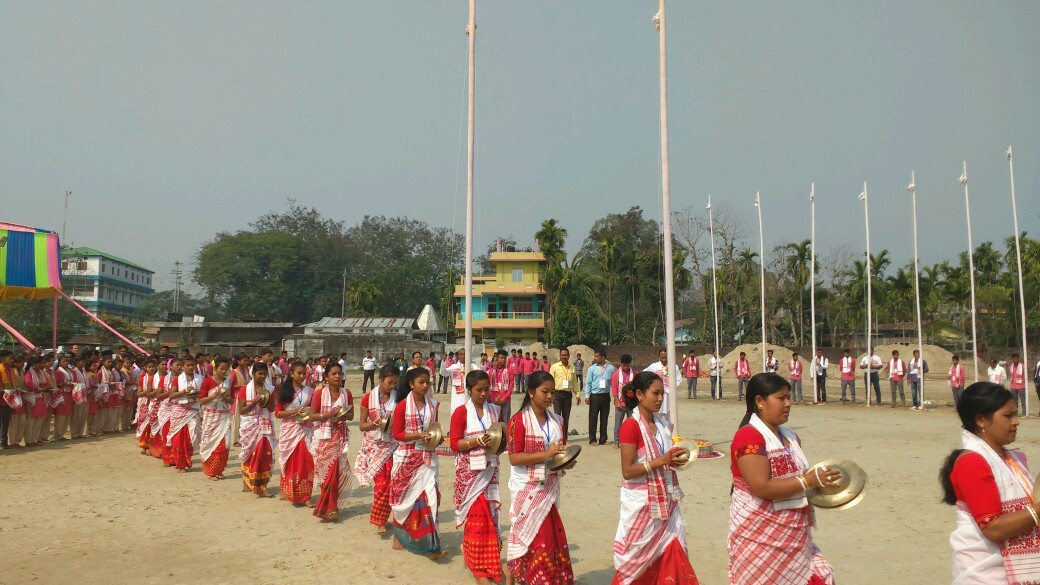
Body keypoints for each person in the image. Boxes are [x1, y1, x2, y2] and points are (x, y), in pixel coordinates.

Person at [729, 373, 841, 584]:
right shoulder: (749, 436)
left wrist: (824, 483)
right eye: (781, 398)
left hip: (795, 535)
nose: (788, 404)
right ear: (760, 401)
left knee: (822, 575)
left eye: (789, 397)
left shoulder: (791, 437)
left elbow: (798, 478)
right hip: (761, 537)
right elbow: (761, 487)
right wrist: (809, 481)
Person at [940, 382, 1040, 583]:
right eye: (1007, 415)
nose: (1016, 422)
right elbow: (993, 528)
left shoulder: (1016, 459)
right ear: (981, 420)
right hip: (984, 575)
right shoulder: (971, 462)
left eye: (1015, 414)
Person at [614, 371, 699, 585]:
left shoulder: (662, 426)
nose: (660, 399)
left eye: (662, 393)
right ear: (640, 395)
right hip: (642, 504)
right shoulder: (631, 426)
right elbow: (627, 470)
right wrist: (661, 461)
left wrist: (676, 459)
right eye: (656, 393)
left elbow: (664, 459)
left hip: (666, 503)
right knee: (636, 565)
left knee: (673, 553)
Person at [505, 371, 575, 584]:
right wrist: (546, 455)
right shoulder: (518, 421)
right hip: (527, 487)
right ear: (530, 392)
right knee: (534, 537)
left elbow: (559, 455)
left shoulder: (558, 421)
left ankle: (516, 575)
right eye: (545, 391)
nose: (549, 397)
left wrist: (567, 462)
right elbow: (514, 458)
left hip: (549, 490)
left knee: (547, 538)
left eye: (552, 392)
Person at [450, 370, 503, 584]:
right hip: (469, 474)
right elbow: (454, 444)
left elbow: (501, 441)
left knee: (489, 518)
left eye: (486, 390)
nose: (483, 394)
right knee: (476, 520)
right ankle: (477, 566)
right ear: (469, 390)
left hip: (489, 471)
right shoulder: (461, 413)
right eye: (479, 390)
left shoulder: (495, 411)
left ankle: (484, 562)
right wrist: (476, 442)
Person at [390, 367, 444, 558]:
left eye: (427, 382)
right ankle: (399, 538)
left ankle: (431, 545)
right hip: (407, 458)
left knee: (429, 499)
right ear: (411, 384)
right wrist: (417, 435)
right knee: (404, 500)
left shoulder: (434, 405)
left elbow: (435, 429)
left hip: (427, 458)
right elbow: (397, 434)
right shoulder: (402, 406)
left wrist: (437, 439)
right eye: (421, 382)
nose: (425, 385)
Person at [354, 365, 400, 534]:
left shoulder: (398, 398)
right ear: (380, 379)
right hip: (374, 447)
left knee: (392, 485)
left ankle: (387, 519)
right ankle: (380, 520)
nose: (392, 386)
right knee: (381, 485)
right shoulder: (368, 399)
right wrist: (376, 424)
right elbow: (361, 426)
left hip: (393, 447)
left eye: (395, 383)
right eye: (390, 382)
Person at [311, 361, 355, 521]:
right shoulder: (318, 394)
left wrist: (343, 416)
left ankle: (331, 507)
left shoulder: (346, 393)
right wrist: (328, 415)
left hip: (340, 437)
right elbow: (312, 415)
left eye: (340, 373)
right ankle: (329, 505)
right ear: (326, 377)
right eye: (333, 374)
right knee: (325, 472)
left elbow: (351, 415)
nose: (337, 376)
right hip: (323, 439)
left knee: (334, 473)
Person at [274, 362, 315, 505]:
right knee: (290, 461)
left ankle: (305, 495)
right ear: (291, 373)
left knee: (306, 461)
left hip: (305, 430)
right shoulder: (284, 391)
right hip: (290, 430)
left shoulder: (310, 392)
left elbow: (314, 409)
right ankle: (287, 490)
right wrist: (295, 412)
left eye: (304, 373)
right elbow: (278, 413)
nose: (302, 376)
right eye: (299, 373)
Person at [238, 363, 275, 497]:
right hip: (250, 424)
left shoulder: (270, 389)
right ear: (253, 374)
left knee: (264, 454)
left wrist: (266, 401)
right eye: (260, 374)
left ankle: (262, 486)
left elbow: (272, 409)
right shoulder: (244, 390)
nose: (262, 376)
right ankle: (247, 481)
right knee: (249, 452)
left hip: (264, 424)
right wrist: (253, 403)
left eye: (265, 374)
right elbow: (241, 410)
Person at [198, 357, 233, 480]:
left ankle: (219, 470)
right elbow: (201, 400)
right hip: (211, 415)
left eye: (226, 369)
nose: (224, 371)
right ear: (215, 368)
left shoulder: (229, 382)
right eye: (221, 369)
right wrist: (215, 395)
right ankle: (211, 471)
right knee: (211, 443)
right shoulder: (207, 382)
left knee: (224, 444)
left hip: (224, 415)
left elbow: (232, 401)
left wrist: (226, 398)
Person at [166, 356, 203, 472]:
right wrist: (184, 391)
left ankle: (187, 460)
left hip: (194, 410)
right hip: (180, 410)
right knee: (179, 439)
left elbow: (204, 395)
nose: (191, 367)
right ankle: (180, 464)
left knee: (191, 438)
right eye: (188, 365)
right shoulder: (177, 379)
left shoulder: (200, 379)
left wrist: (197, 394)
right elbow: (171, 395)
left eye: (193, 365)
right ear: (183, 366)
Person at [585, 349, 615, 446]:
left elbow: (613, 383)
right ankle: (592, 439)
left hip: (605, 396)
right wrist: (587, 395)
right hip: (595, 396)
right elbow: (588, 383)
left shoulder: (610, 368)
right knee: (593, 418)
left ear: (603, 357)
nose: (595, 358)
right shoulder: (592, 368)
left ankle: (603, 439)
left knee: (604, 418)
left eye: (596, 356)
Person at [550, 348, 578, 437]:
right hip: (557, 395)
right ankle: (557, 436)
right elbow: (550, 382)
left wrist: (577, 394)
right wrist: (550, 395)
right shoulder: (554, 367)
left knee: (566, 417)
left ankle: (564, 438)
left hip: (567, 395)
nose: (564, 357)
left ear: (569, 356)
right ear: (559, 356)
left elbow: (574, 382)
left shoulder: (572, 367)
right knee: (557, 417)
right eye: (562, 355)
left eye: (566, 355)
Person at [644, 349, 681, 416]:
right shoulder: (654, 366)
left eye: (666, 357)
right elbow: (644, 373)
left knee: (671, 418)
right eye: (662, 358)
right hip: (658, 396)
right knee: (657, 417)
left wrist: (671, 387)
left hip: (670, 396)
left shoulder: (674, 367)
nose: (664, 360)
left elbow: (678, 379)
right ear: (659, 357)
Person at [442, 347, 476, 416]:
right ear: (458, 356)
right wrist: (444, 361)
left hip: (469, 396)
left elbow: (482, 374)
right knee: (457, 416)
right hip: (457, 397)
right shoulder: (454, 367)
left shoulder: (472, 366)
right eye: (461, 354)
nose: (463, 356)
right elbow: (444, 373)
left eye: (465, 354)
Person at [149, 360, 172, 459]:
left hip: (172, 406)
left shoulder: (177, 378)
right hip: (156, 404)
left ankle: (167, 451)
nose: (164, 366)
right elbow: (148, 393)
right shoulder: (152, 378)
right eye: (161, 364)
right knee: (158, 428)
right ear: (158, 366)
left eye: (165, 364)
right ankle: (155, 449)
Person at [135, 359, 158, 454]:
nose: (151, 369)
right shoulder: (142, 378)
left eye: (153, 366)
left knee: (154, 425)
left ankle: (153, 446)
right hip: (145, 404)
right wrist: (150, 392)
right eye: (149, 367)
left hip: (156, 403)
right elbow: (139, 393)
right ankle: (144, 446)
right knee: (144, 425)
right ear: (145, 368)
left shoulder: (160, 378)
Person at [612, 354, 635, 448]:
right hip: (620, 403)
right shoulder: (616, 374)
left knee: (631, 423)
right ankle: (616, 441)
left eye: (627, 365)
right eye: (624, 365)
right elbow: (614, 389)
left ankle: (630, 441)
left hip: (631, 403)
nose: (625, 367)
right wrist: (616, 400)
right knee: (618, 423)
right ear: (620, 363)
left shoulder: (634, 373)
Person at [51, 353, 74, 441]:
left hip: (68, 394)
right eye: (63, 361)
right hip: (61, 394)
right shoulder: (57, 372)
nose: (66, 363)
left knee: (67, 414)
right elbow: (56, 384)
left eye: (67, 361)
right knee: (60, 415)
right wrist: (65, 383)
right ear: (59, 363)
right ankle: (58, 433)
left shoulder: (69, 371)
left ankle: (62, 433)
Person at [488, 350, 514, 423]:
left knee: (506, 421)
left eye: (505, 358)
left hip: (506, 400)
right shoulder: (491, 372)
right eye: (501, 358)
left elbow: (511, 386)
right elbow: (489, 386)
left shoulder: (509, 371)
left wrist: (505, 398)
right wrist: (494, 398)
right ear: (497, 358)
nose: (504, 360)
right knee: (494, 420)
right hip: (495, 400)